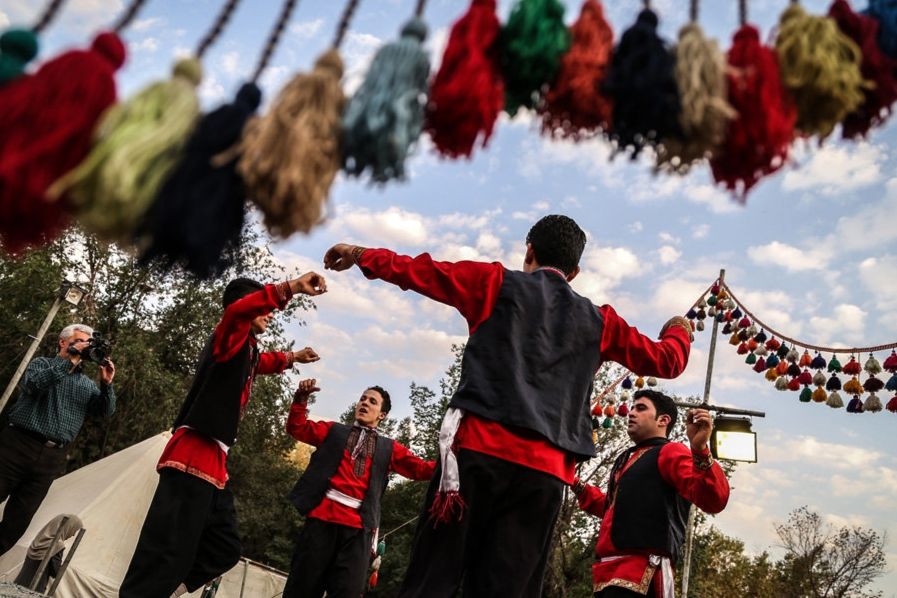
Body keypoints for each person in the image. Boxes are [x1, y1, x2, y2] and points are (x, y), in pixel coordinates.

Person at [322, 214, 693, 597]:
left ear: (528, 250)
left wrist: (360, 253)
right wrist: (679, 329)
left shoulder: (494, 282)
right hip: (545, 477)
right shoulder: (601, 322)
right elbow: (667, 361)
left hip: (476, 460)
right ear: (576, 271)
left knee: (433, 581)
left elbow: (421, 271)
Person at [120, 273, 326, 598]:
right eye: (264, 308)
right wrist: (291, 288)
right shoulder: (228, 334)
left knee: (225, 547)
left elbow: (262, 361)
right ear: (245, 307)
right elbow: (237, 314)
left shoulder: (245, 350)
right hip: (192, 455)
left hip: (215, 465)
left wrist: (293, 358)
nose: (271, 313)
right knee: (165, 550)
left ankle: (170, 590)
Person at [282, 378, 435, 598]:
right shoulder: (333, 431)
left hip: (359, 531)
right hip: (321, 523)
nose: (364, 403)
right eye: (362, 398)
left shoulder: (389, 448)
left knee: (348, 592)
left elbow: (421, 469)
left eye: (372, 401)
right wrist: (301, 398)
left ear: (382, 415)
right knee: (302, 589)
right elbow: (297, 428)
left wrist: (457, 459)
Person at [573, 390, 730, 597]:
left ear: (663, 420)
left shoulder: (671, 451)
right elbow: (614, 511)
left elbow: (714, 499)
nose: (631, 413)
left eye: (641, 408)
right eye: (631, 407)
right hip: (606, 573)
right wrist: (574, 483)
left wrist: (700, 448)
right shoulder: (627, 459)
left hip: (643, 574)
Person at [0, 324, 115, 557]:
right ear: (63, 342)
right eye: (80, 340)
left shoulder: (86, 385)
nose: (85, 346)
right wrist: (68, 362)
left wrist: (107, 384)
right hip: (17, 445)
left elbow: (105, 411)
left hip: (51, 458)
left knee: (17, 523)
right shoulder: (42, 364)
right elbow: (34, 385)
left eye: (88, 343)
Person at [14, 514, 83, 593]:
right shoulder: (57, 545)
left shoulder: (38, 540)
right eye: (74, 530)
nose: (73, 534)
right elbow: (56, 573)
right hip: (34, 590)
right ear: (68, 527)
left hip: (18, 585)